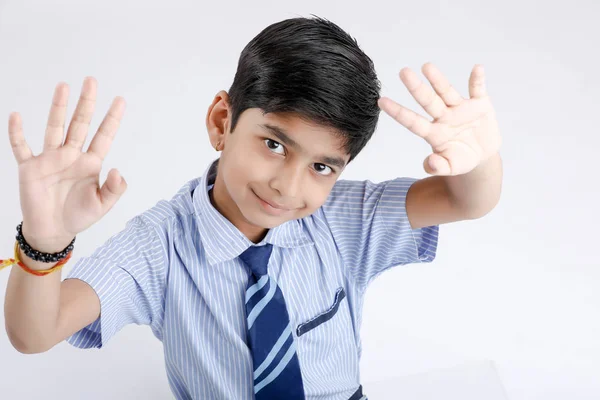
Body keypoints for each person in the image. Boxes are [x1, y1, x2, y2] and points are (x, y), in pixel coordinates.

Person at [3, 15, 503, 400]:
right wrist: (44, 245)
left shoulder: (346, 219)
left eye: (322, 168)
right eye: (274, 145)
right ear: (223, 121)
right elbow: (34, 332)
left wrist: (482, 157)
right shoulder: (159, 245)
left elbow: (465, 198)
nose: (288, 187)